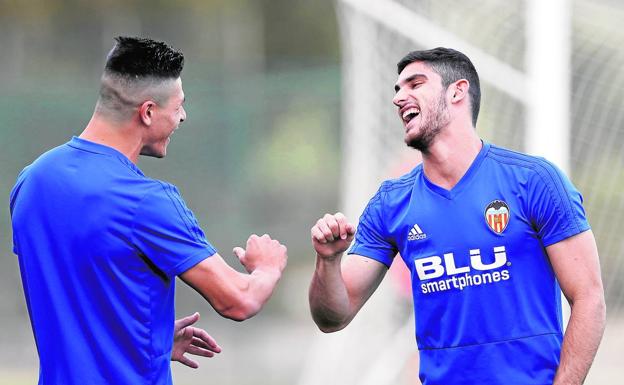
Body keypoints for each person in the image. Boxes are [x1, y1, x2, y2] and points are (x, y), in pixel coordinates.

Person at [308, 47, 605, 385]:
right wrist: (328, 261)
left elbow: (589, 298)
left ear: (457, 91)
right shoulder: (390, 202)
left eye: (414, 84)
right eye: (397, 90)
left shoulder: (534, 180)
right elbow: (333, 316)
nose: (399, 98)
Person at [10, 36, 287, 384]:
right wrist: (267, 267)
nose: (183, 116)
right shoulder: (147, 201)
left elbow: (72, 290)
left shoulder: (32, 181)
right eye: (179, 106)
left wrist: (146, 339)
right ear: (148, 112)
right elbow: (238, 301)